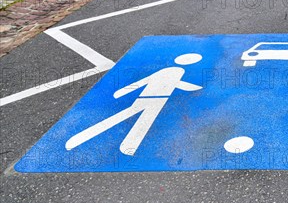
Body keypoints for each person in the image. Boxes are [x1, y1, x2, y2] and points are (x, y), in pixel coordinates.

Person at [66, 53, 203, 156]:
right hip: (151, 98)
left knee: (138, 119)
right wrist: (123, 91)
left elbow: (150, 81)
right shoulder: (174, 71)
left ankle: (127, 145)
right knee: (137, 118)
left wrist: (122, 91)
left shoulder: (174, 71)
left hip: (155, 99)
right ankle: (125, 145)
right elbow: (147, 81)